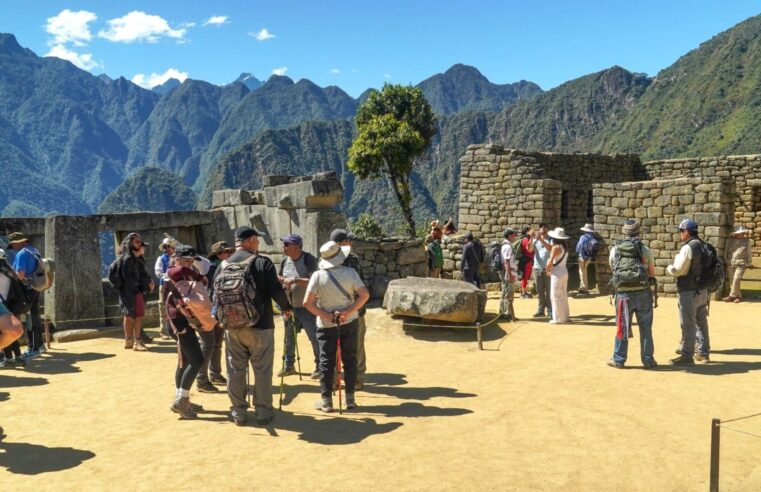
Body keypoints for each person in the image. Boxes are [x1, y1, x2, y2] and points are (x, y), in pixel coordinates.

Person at [215, 226, 292, 426]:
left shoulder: (223, 265)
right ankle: (263, 411)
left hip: (232, 327)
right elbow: (276, 290)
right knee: (262, 370)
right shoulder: (261, 263)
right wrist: (287, 308)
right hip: (261, 325)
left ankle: (238, 412)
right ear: (249, 240)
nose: (258, 243)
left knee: (235, 369)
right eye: (256, 240)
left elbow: (212, 296)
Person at [304, 241, 369, 412]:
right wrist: (348, 312)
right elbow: (364, 295)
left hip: (326, 324)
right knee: (350, 359)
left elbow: (307, 303)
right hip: (349, 322)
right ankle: (350, 399)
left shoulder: (317, 276)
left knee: (326, 361)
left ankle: (326, 401)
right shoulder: (351, 273)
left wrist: (326, 315)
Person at [606, 220, 657, 369]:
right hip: (643, 293)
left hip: (623, 294)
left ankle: (619, 359)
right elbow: (652, 273)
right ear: (638, 232)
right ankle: (648, 360)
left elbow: (613, 269)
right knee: (646, 328)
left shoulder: (616, 250)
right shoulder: (645, 250)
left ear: (624, 232)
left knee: (622, 326)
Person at [164, 246, 208, 418]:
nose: (190, 264)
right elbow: (181, 269)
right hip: (179, 323)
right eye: (187, 260)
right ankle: (181, 400)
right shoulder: (174, 271)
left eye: (192, 261)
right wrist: (198, 276)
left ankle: (182, 398)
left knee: (185, 362)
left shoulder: (181, 273)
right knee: (197, 360)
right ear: (177, 258)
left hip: (182, 322)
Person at [277, 233, 320, 379]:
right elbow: (280, 279)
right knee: (289, 337)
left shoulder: (309, 259)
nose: (283, 247)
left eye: (286, 245)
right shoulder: (284, 261)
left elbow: (314, 281)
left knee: (314, 337)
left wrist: (295, 280)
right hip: (290, 306)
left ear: (296, 247)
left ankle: (321, 366)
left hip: (308, 307)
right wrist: (283, 282)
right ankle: (289, 365)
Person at [668, 219, 710, 365]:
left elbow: (678, 270)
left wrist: (669, 268)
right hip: (703, 290)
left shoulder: (688, 247)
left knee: (688, 323)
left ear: (686, 232)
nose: (679, 234)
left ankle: (687, 355)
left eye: (680, 231)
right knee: (701, 321)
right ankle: (703, 353)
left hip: (689, 291)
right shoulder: (704, 245)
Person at [331, 228, 369, 390]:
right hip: (355, 310)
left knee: (332, 348)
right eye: (347, 241)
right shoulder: (353, 261)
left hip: (332, 312)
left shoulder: (324, 262)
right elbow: (361, 288)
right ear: (339, 244)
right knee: (356, 348)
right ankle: (357, 380)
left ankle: (333, 381)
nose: (351, 243)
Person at [195, 241, 234, 393]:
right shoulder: (207, 266)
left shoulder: (227, 266)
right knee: (207, 345)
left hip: (219, 309)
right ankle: (201, 380)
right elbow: (197, 260)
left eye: (231, 251)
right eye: (227, 251)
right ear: (218, 254)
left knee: (217, 343)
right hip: (206, 310)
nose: (231, 254)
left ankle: (215, 373)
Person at [8, 232, 44, 358]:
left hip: (26, 291)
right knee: (35, 315)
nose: (12, 247)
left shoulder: (22, 253)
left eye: (12, 244)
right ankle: (40, 345)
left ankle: (33, 348)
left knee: (29, 318)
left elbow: (20, 275)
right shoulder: (34, 250)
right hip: (36, 287)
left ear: (19, 242)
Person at [117, 233, 154, 351]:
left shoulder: (134, 258)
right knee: (137, 316)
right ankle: (137, 342)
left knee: (129, 315)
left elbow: (142, 273)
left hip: (129, 291)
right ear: (130, 244)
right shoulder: (128, 259)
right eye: (137, 242)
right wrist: (139, 290)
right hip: (132, 291)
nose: (140, 244)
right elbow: (128, 277)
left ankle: (129, 341)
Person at [0, 249, 24, 369]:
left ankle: (8, 359)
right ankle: (19, 357)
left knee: (5, 333)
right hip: (14, 304)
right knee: (12, 334)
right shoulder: (10, 270)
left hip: (4, 303)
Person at [546, 227, 570, 324]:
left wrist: (548, 270)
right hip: (564, 270)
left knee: (555, 294)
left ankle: (557, 318)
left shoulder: (556, 247)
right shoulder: (565, 247)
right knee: (563, 294)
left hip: (557, 272)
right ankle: (565, 316)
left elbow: (550, 261)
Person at [723, 226, 753, 303]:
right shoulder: (729, 241)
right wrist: (725, 260)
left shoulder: (746, 241)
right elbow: (726, 250)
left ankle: (731, 295)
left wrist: (749, 262)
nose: (741, 234)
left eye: (742, 233)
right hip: (731, 262)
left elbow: (749, 252)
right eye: (740, 233)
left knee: (736, 278)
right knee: (732, 280)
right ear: (736, 234)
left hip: (741, 263)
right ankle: (738, 296)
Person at [154, 238, 176, 340]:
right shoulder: (161, 259)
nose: (165, 249)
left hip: (177, 285)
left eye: (167, 246)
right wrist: (168, 277)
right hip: (165, 285)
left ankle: (175, 328)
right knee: (163, 307)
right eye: (164, 247)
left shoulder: (178, 258)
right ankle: (163, 331)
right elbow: (158, 272)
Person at [531, 224, 553, 318]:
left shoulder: (551, 239)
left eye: (545, 227)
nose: (543, 229)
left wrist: (541, 240)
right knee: (539, 291)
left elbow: (551, 248)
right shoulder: (535, 240)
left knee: (549, 291)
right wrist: (531, 238)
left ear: (548, 229)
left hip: (548, 269)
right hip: (537, 268)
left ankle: (550, 310)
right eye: (541, 227)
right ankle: (540, 310)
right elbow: (529, 249)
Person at [499, 228, 519, 321]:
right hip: (508, 273)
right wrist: (510, 275)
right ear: (509, 236)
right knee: (508, 294)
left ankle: (503, 313)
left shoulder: (506, 245)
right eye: (514, 235)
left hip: (508, 272)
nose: (515, 236)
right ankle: (507, 314)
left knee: (505, 293)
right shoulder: (507, 247)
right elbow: (506, 262)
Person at [576, 224, 598, 295]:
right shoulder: (592, 237)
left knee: (582, 273)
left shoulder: (583, 237)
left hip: (582, 257)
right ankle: (582, 287)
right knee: (584, 272)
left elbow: (578, 248)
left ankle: (584, 289)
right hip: (589, 257)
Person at [519, 226, 534, 298]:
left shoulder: (526, 239)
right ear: (527, 232)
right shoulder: (525, 240)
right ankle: (523, 293)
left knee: (526, 276)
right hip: (526, 260)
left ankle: (524, 291)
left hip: (528, 260)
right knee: (525, 277)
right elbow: (529, 250)